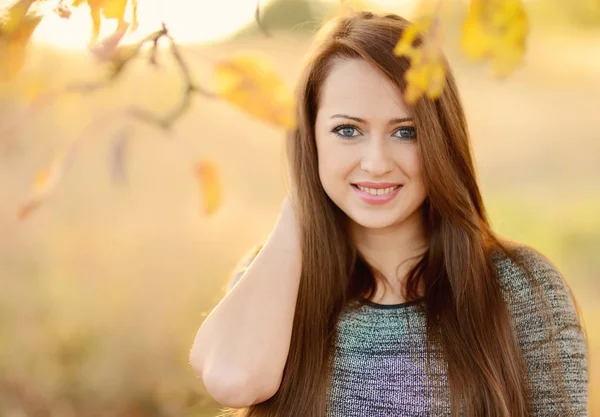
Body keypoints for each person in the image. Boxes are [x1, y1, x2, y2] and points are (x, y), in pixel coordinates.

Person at [189, 10, 589, 417]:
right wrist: (301, 205)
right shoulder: (275, 274)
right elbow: (233, 380)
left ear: (440, 139)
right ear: (310, 139)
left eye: (405, 131)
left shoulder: (522, 287)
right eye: (347, 131)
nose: (376, 163)